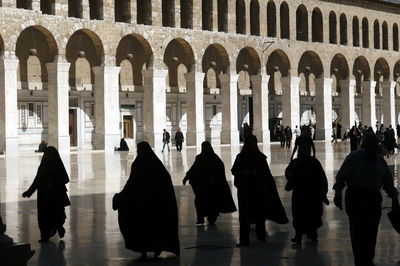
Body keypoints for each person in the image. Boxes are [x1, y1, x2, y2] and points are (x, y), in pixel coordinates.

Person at [333, 133, 400, 266]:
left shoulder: (379, 160)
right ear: (366, 144)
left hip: (372, 199)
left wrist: (394, 197)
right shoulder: (354, 157)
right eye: (374, 144)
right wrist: (338, 194)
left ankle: (367, 257)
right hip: (356, 198)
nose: (376, 147)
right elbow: (342, 176)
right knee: (358, 231)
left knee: (371, 230)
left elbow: (388, 181)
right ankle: (360, 259)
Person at [112, 142, 180, 260]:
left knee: (149, 227)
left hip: (150, 204)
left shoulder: (146, 164)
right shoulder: (147, 164)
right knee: (145, 228)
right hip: (144, 203)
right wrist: (122, 195)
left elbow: (163, 181)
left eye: (140, 150)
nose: (139, 152)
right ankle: (146, 250)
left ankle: (152, 249)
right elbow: (132, 182)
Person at [232, 135, 288, 246]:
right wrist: (244, 173)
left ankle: (261, 236)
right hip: (245, 190)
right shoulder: (240, 157)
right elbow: (234, 170)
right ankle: (244, 239)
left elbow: (266, 173)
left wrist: (257, 173)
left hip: (257, 190)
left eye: (254, 143)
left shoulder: (260, 157)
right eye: (250, 143)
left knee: (259, 214)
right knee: (244, 216)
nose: (252, 145)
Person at [22, 146, 70, 243]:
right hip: (44, 197)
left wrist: (53, 183)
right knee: (44, 217)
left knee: (56, 214)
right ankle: (45, 236)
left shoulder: (57, 166)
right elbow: (37, 180)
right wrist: (28, 192)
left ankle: (59, 228)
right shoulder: (43, 166)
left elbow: (65, 179)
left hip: (55, 196)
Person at [183, 141, 236, 225]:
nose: (205, 149)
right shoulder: (199, 158)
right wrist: (187, 177)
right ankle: (200, 218)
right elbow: (193, 168)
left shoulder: (214, 158)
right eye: (204, 147)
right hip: (202, 186)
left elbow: (220, 167)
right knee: (199, 201)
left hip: (211, 186)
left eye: (207, 147)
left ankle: (212, 218)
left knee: (212, 202)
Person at [285, 145, 329, 244]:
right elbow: (288, 172)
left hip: (309, 193)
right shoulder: (298, 162)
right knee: (299, 215)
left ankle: (310, 234)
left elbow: (321, 177)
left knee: (310, 214)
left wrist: (323, 191)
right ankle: (300, 235)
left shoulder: (312, 162)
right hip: (303, 193)